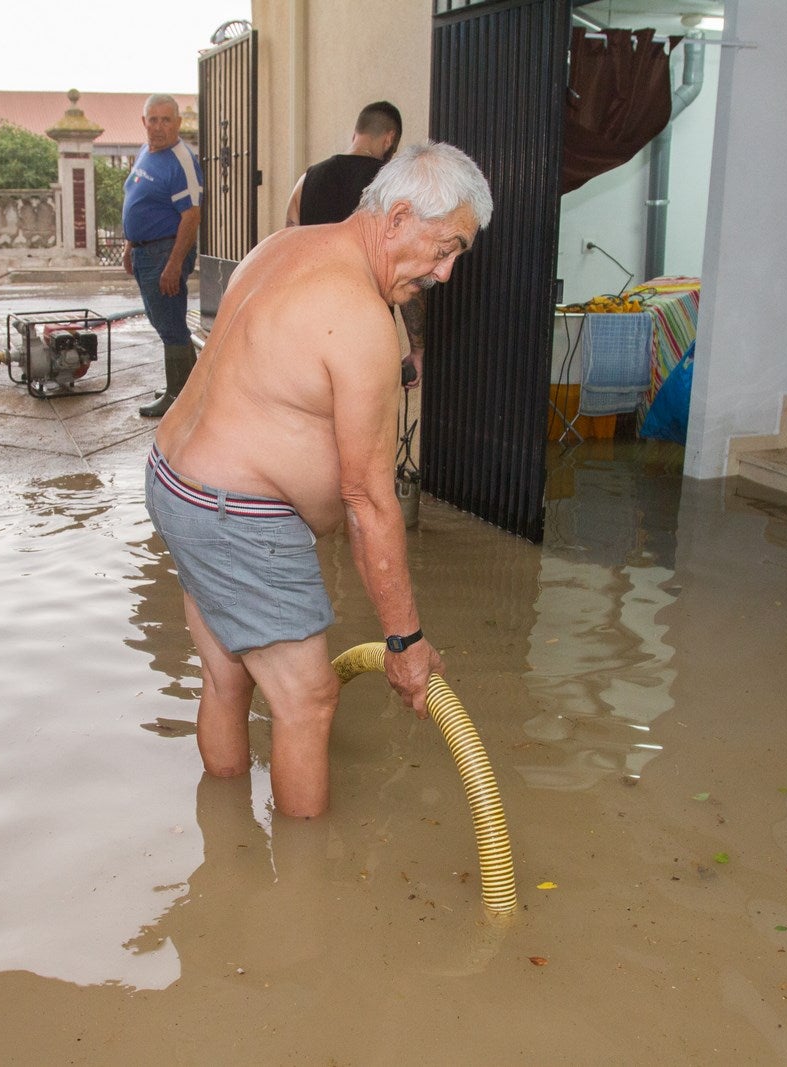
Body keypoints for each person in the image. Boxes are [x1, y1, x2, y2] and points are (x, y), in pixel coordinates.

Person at [145, 142, 492, 817]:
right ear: (396, 219)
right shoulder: (361, 318)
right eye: (445, 248)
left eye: (458, 256)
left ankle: (226, 848)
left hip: (175, 483)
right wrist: (405, 640)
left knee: (226, 677)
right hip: (235, 515)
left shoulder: (285, 243)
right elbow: (368, 501)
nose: (446, 273)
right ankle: (302, 895)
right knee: (306, 701)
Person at [286, 101, 426, 387]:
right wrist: (417, 349)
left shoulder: (307, 180)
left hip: (312, 333)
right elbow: (409, 281)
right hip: (368, 337)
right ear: (389, 139)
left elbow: (289, 253)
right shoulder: (396, 190)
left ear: (356, 134)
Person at [122, 93, 204, 418]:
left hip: (165, 250)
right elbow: (136, 198)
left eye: (165, 120)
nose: (158, 127)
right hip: (145, 250)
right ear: (144, 123)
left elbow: (191, 216)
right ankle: (188, 389)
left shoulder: (181, 160)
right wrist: (129, 245)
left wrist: (173, 264)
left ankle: (177, 396)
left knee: (170, 323)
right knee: (161, 320)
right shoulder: (147, 151)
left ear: (178, 123)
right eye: (152, 120)